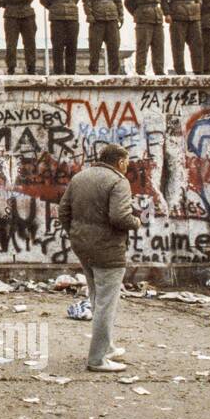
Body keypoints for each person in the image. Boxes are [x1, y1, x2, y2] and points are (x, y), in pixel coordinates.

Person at [58, 144, 141, 372]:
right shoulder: (118, 181)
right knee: (106, 304)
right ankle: (97, 359)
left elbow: (63, 211)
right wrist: (136, 222)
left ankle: (108, 347)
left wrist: (75, 233)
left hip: (82, 247)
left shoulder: (80, 177)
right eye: (127, 161)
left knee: (96, 296)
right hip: (108, 250)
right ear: (120, 162)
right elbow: (120, 217)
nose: (128, 165)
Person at [161, 0, 203, 75]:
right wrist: (167, 13)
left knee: (197, 45)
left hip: (194, 16)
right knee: (178, 46)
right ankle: (180, 73)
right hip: (178, 16)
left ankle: (198, 72)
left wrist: (199, 3)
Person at [40, 0, 81, 75]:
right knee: (57, 47)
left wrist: (69, 6)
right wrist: (54, 7)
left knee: (72, 46)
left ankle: (71, 74)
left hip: (72, 17)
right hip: (57, 17)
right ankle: (58, 73)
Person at [82, 0, 123, 75]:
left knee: (114, 48)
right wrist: (89, 15)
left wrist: (121, 15)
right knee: (95, 49)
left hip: (112, 18)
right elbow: (86, 0)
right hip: (97, 19)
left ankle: (114, 74)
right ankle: (93, 74)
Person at [124, 0, 164, 75]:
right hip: (143, 20)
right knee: (143, 47)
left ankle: (159, 71)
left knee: (158, 47)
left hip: (157, 19)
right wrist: (138, 13)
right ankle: (140, 71)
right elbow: (128, 2)